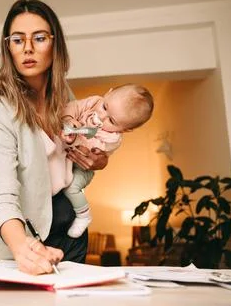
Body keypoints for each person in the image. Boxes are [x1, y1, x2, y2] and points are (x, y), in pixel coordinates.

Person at [0, 0, 108, 275]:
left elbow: (76, 158)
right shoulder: (0, 111)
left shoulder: (67, 98)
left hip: (71, 232)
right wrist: (21, 246)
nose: (28, 48)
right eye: (17, 40)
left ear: (55, 45)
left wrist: (96, 161)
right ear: (8, 48)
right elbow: (0, 192)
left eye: (39, 38)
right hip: (26, 238)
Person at [49, 84, 154, 239]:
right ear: (108, 93)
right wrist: (69, 119)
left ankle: (83, 215)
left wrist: (74, 137)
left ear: (125, 130)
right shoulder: (94, 102)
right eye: (105, 107)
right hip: (67, 155)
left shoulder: (112, 138)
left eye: (111, 120)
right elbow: (73, 107)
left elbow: (88, 149)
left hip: (82, 167)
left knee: (71, 187)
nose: (101, 117)